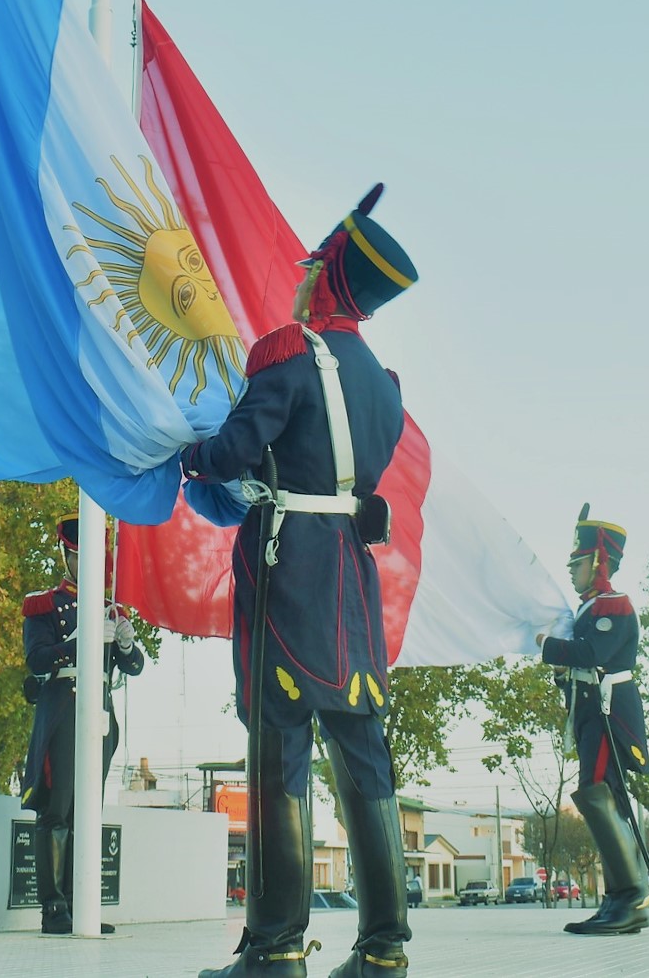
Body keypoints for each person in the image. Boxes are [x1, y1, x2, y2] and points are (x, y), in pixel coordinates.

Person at [182, 185, 417, 978]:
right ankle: (384, 950)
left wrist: (186, 452)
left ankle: (275, 947)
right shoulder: (384, 383)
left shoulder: (287, 350)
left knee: (278, 740)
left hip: (288, 563)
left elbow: (232, 452)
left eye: (310, 266)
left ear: (326, 277)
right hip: (351, 567)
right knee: (363, 746)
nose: (300, 276)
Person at [19, 513, 145, 935]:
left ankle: (81, 903)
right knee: (57, 809)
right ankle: (54, 908)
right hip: (64, 707)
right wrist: (79, 643)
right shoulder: (45, 604)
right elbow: (37, 659)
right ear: (65, 555)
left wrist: (125, 643)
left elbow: (134, 667)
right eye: (76, 555)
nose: (84, 563)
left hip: (101, 711)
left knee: (88, 810)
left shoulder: (111, 608)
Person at [536, 507, 649, 936]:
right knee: (602, 798)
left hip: (608, 713)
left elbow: (592, 655)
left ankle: (630, 899)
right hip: (591, 712)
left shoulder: (613, 605)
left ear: (599, 562)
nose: (571, 570)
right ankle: (619, 899)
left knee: (597, 794)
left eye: (578, 562)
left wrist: (547, 645)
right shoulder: (590, 608)